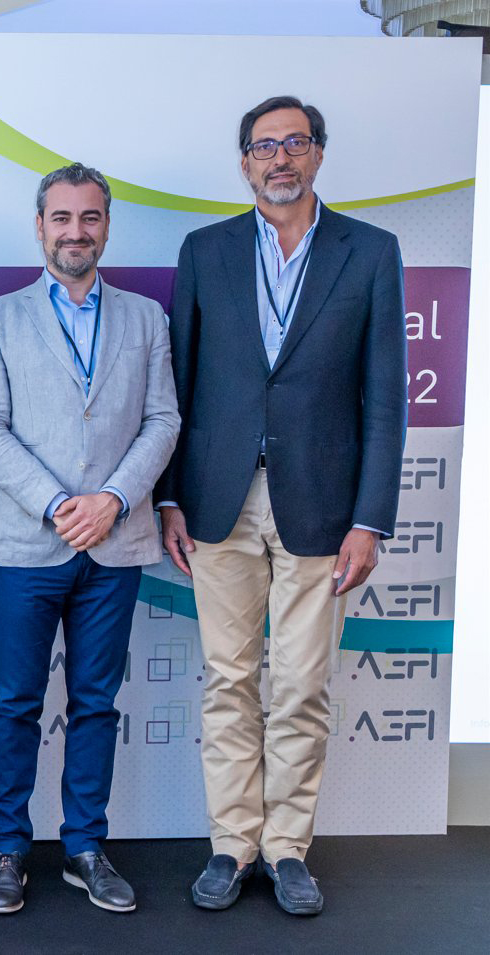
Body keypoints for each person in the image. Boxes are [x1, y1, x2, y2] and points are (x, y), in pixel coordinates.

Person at [158, 96, 406, 916]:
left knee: (301, 684)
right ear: (244, 164)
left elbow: (385, 397)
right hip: (217, 499)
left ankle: (287, 847)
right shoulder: (206, 250)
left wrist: (370, 517)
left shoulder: (370, 251)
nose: (280, 158)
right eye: (264, 146)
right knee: (230, 680)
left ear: (318, 154)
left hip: (324, 505)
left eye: (295, 142)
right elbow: (179, 384)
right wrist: (169, 495)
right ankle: (232, 844)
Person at [0, 163, 180, 916]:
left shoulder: (146, 318)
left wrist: (113, 500)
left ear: (106, 227)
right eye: (61, 218)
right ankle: (8, 849)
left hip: (115, 543)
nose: (75, 231)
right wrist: (60, 504)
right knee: (14, 703)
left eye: (89, 217)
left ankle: (85, 848)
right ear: (40, 226)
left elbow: (163, 420)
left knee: (95, 702)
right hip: (29, 543)